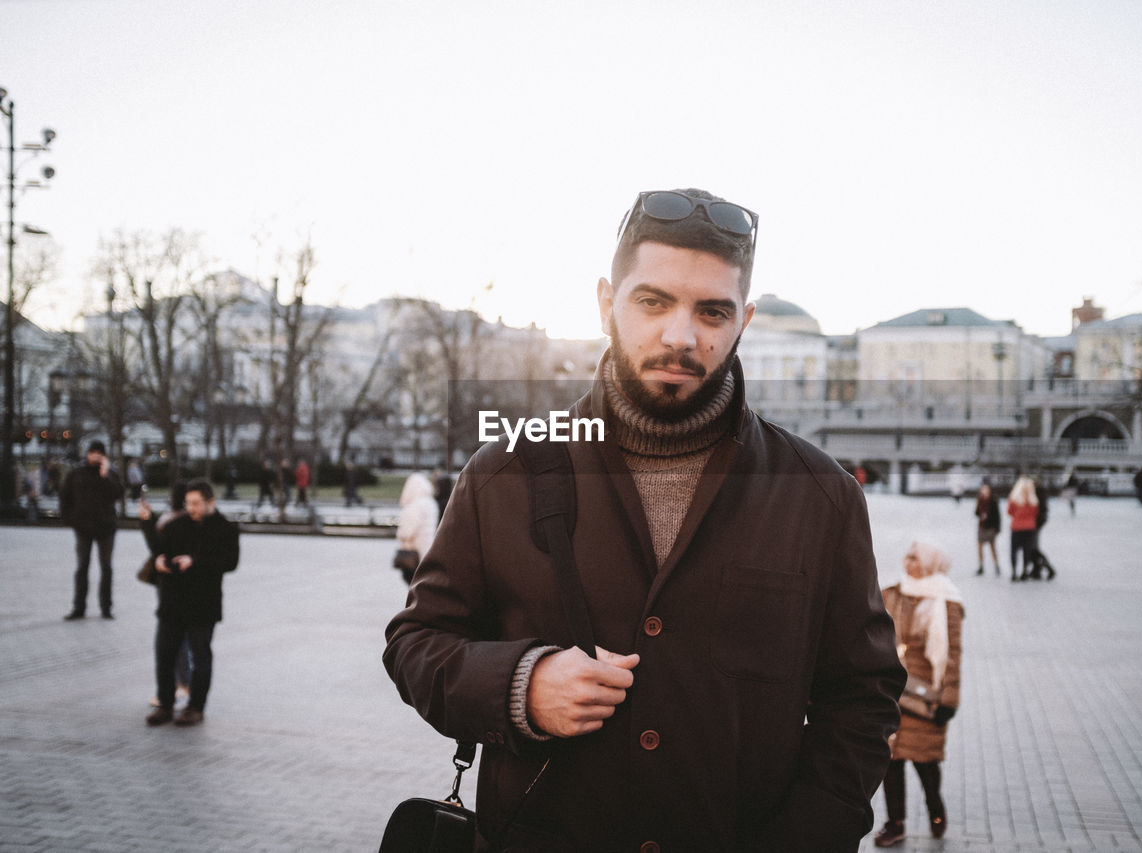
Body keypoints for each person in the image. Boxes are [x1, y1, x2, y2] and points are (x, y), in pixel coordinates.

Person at [384, 187, 905, 851]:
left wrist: (808, 835)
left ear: (742, 320)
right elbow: (417, 642)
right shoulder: (503, 471)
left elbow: (862, 696)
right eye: (653, 301)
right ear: (607, 303)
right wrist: (521, 686)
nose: (680, 335)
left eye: (711, 311)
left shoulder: (820, 495)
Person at [874, 541, 963, 847]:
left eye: (914, 557)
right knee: (891, 760)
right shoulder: (892, 593)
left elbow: (952, 655)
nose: (907, 561)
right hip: (892, 691)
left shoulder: (947, 601)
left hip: (926, 696)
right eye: (908, 555)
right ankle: (894, 822)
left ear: (929, 564)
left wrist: (949, 701)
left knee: (925, 762)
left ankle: (935, 808)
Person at [145, 478, 240, 727]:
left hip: (203, 604)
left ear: (211, 502)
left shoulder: (225, 528)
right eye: (188, 503)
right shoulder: (177, 525)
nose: (192, 509)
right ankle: (165, 705)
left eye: (197, 504)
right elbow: (159, 549)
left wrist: (195, 561)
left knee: (201, 658)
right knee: (164, 655)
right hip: (173, 602)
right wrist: (158, 558)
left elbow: (230, 562)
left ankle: (195, 707)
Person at [139, 482, 192, 708]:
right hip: (183, 586)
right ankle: (183, 684)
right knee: (182, 637)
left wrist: (146, 522)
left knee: (171, 638)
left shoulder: (171, 521)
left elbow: (157, 548)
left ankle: (179, 686)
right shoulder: (188, 520)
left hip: (170, 585)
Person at [59, 440, 125, 620]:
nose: (96, 456)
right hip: (83, 527)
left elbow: (118, 494)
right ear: (88, 454)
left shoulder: (110, 475)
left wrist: (105, 475)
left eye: (100, 453)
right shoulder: (77, 474)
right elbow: (65, 497)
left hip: (106, 528)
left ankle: (106, 607)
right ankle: (79, 607)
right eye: (93, 452)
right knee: (82, 568)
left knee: (106, 568)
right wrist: (69, 520)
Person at [393, 472, 438, 585]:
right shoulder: (431, 503)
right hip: (428, 549)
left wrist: (400, 533)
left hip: (414, 552)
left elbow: (406, 533)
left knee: (413, 582)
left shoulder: (415, 506)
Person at [1007, 475, 1039, 582]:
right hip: (1029, 527)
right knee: (1026, 550)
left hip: (1016, 527)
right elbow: (1035, 513)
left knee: (1014, 551)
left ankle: (1014, 572)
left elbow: (1009, 512)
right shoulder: (1033, 499)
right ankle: (1024, 571)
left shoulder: (1014, 499)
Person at [974, 481, 1001, 576]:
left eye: (986, 489)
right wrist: (981, 515)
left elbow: (997, 515)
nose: (984, 491)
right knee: (980, 547)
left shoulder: (993, 500)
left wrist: (997, 528)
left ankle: (997, 565)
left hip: (990, 526)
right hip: (982, 526)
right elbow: (976, 512)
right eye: (983, 489)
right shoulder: (980, 500)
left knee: (992, 547)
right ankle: (981, 566)